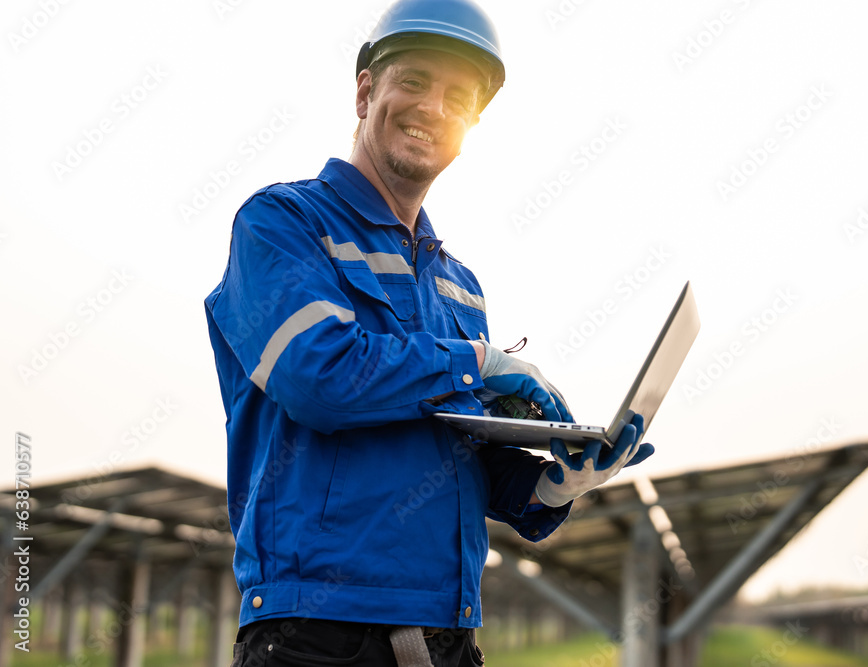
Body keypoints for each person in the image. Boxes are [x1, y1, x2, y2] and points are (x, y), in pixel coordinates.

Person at [204, 1, 654, 664]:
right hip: (315, 633)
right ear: (365, 91)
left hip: (450, 635)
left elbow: (465, 459)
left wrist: (565, 478)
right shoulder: (283, 223)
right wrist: (482, 360)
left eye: (459, 97)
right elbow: (318, 378)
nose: (433, 107)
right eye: (413, 81)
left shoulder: (460, 285)